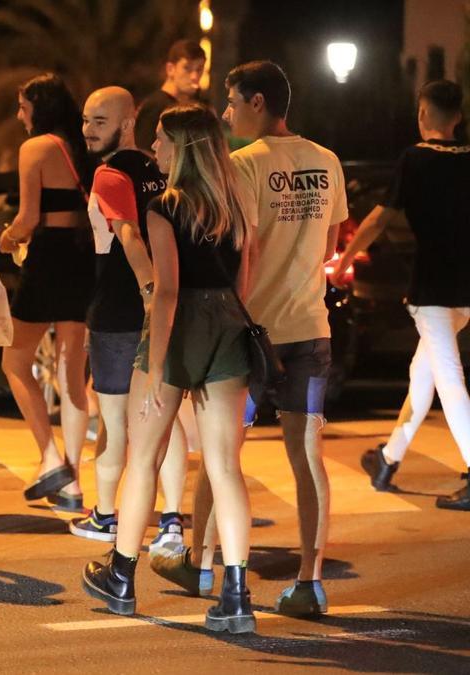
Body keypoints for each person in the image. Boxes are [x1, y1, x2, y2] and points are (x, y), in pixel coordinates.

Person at [81, 104, 256, 634]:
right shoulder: (237, 205)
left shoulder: (166, 205)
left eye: (160, 140)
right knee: (224, 465)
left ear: (181, 148)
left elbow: (168, 290)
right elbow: (243, 284)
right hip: (230, 325)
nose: (153, 149)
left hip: (179, 327)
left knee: (144, 456)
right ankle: (237, 594)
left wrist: (157, 369)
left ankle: (121, 575)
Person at [220, 60, 349, 617]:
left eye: (231, 103)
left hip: (254, 335)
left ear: (257, 102)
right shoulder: (326, 161)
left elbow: (239, 250)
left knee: (225, 452)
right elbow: (329, 247)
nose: (227, 114)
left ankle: (203, 564)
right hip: (311, 332)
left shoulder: (242, 164)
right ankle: (309, 582)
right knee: (308, 456)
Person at [332, 80, 470, 511]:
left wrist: (343, 259)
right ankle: (388, 460)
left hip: (431, 288)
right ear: (459, 118)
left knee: (448, 379)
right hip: (466, 292)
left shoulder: (414, 158)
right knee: (423, 375)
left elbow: (379, 217)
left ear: (423, 114)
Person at [72, 87, 171, 546]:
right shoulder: (161, 169)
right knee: (161, 419)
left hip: (117, 313)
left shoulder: (110, 174)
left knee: (114, 421)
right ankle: (170, 519)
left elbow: (128, 234)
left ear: (128, 122)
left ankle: (106, 515)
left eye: (99, 121)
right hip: (165, 309)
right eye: (87, 120)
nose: (88, 130)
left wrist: (149, 291)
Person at [0, 73, 97, 511]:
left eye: (23, 107)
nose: (20, 116)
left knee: (15, 360)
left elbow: (28, 216)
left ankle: (51, 457)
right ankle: (73, 482)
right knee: (71, 372)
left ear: (39, 108)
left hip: (49, 257)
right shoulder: (83, 147)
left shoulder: (34, 148)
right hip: (82, 258)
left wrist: (6, 238)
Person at [135, 40, 208, 153]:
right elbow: (143, 152)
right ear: (170, 69)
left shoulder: (199, 105)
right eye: (187, 68)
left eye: (199, 69)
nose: (194, 76)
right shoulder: (155, 106)